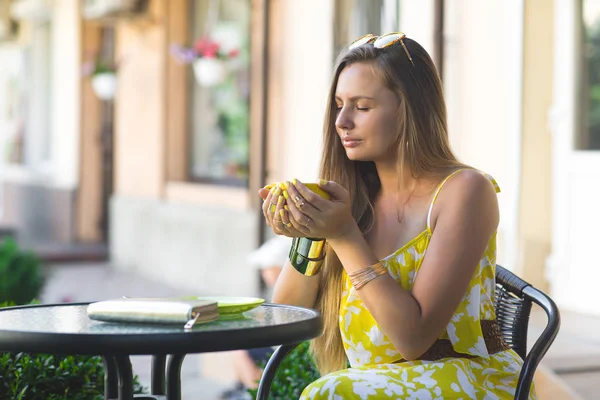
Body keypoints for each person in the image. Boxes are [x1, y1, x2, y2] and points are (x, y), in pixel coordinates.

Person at [258, 32, 536, 399]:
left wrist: (343, 235)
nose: (342, 121)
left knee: (328, 394)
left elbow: (413, 340)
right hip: (374, 387)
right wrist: (309, 232)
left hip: (469, 380)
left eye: (362, 106)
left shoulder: (465, 191)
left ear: (409, 109)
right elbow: (286, 315)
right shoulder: (353, 199)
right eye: (338, 104)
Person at [220, 236, 290, 400]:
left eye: (267, 267)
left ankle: (254, 392)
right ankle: (243, 386)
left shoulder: (286, 291)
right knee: (238, 341)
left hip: (283, 350)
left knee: (239, 347)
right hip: (278, 346)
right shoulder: (275, 290)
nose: (264, 273)